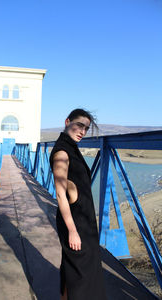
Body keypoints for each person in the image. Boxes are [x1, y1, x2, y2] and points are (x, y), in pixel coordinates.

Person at [49, 108, 106, 300]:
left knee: (73, 270)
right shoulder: (62, 153)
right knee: (82, 274)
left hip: (83, 218)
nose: (82, 131)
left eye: (86, 128)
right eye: (79, 125)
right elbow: (59, 193)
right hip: (75, 221)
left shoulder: (71, 148)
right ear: (67, 122)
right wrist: (72, 230)